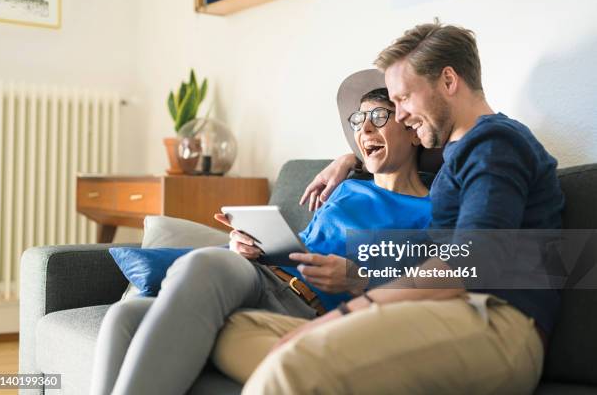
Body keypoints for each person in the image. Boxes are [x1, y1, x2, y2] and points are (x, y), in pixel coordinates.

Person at [212, 21, 564, 395]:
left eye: (403, 99)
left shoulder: (494, 142)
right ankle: (325, 370)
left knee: (291, 363)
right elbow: (396, 169)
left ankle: (305, 367)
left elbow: (473, 259)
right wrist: (350, 159)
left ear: (448, 81)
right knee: (236, 330)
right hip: (439, 316)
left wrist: (348, 312)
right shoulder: (453, 163)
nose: (400, 115)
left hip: (495, 326)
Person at [88, 86, 432, 395]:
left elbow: (438, 291)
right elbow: (305, 241)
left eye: (378, 116)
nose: (365, 128)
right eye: (359, 120)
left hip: (304, 308)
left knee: (203, 263)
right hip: (265, 275)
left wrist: (361, 280)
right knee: (125, 315)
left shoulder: (431, 211)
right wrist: (251, 244)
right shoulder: (347, 186)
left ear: (415, 131)